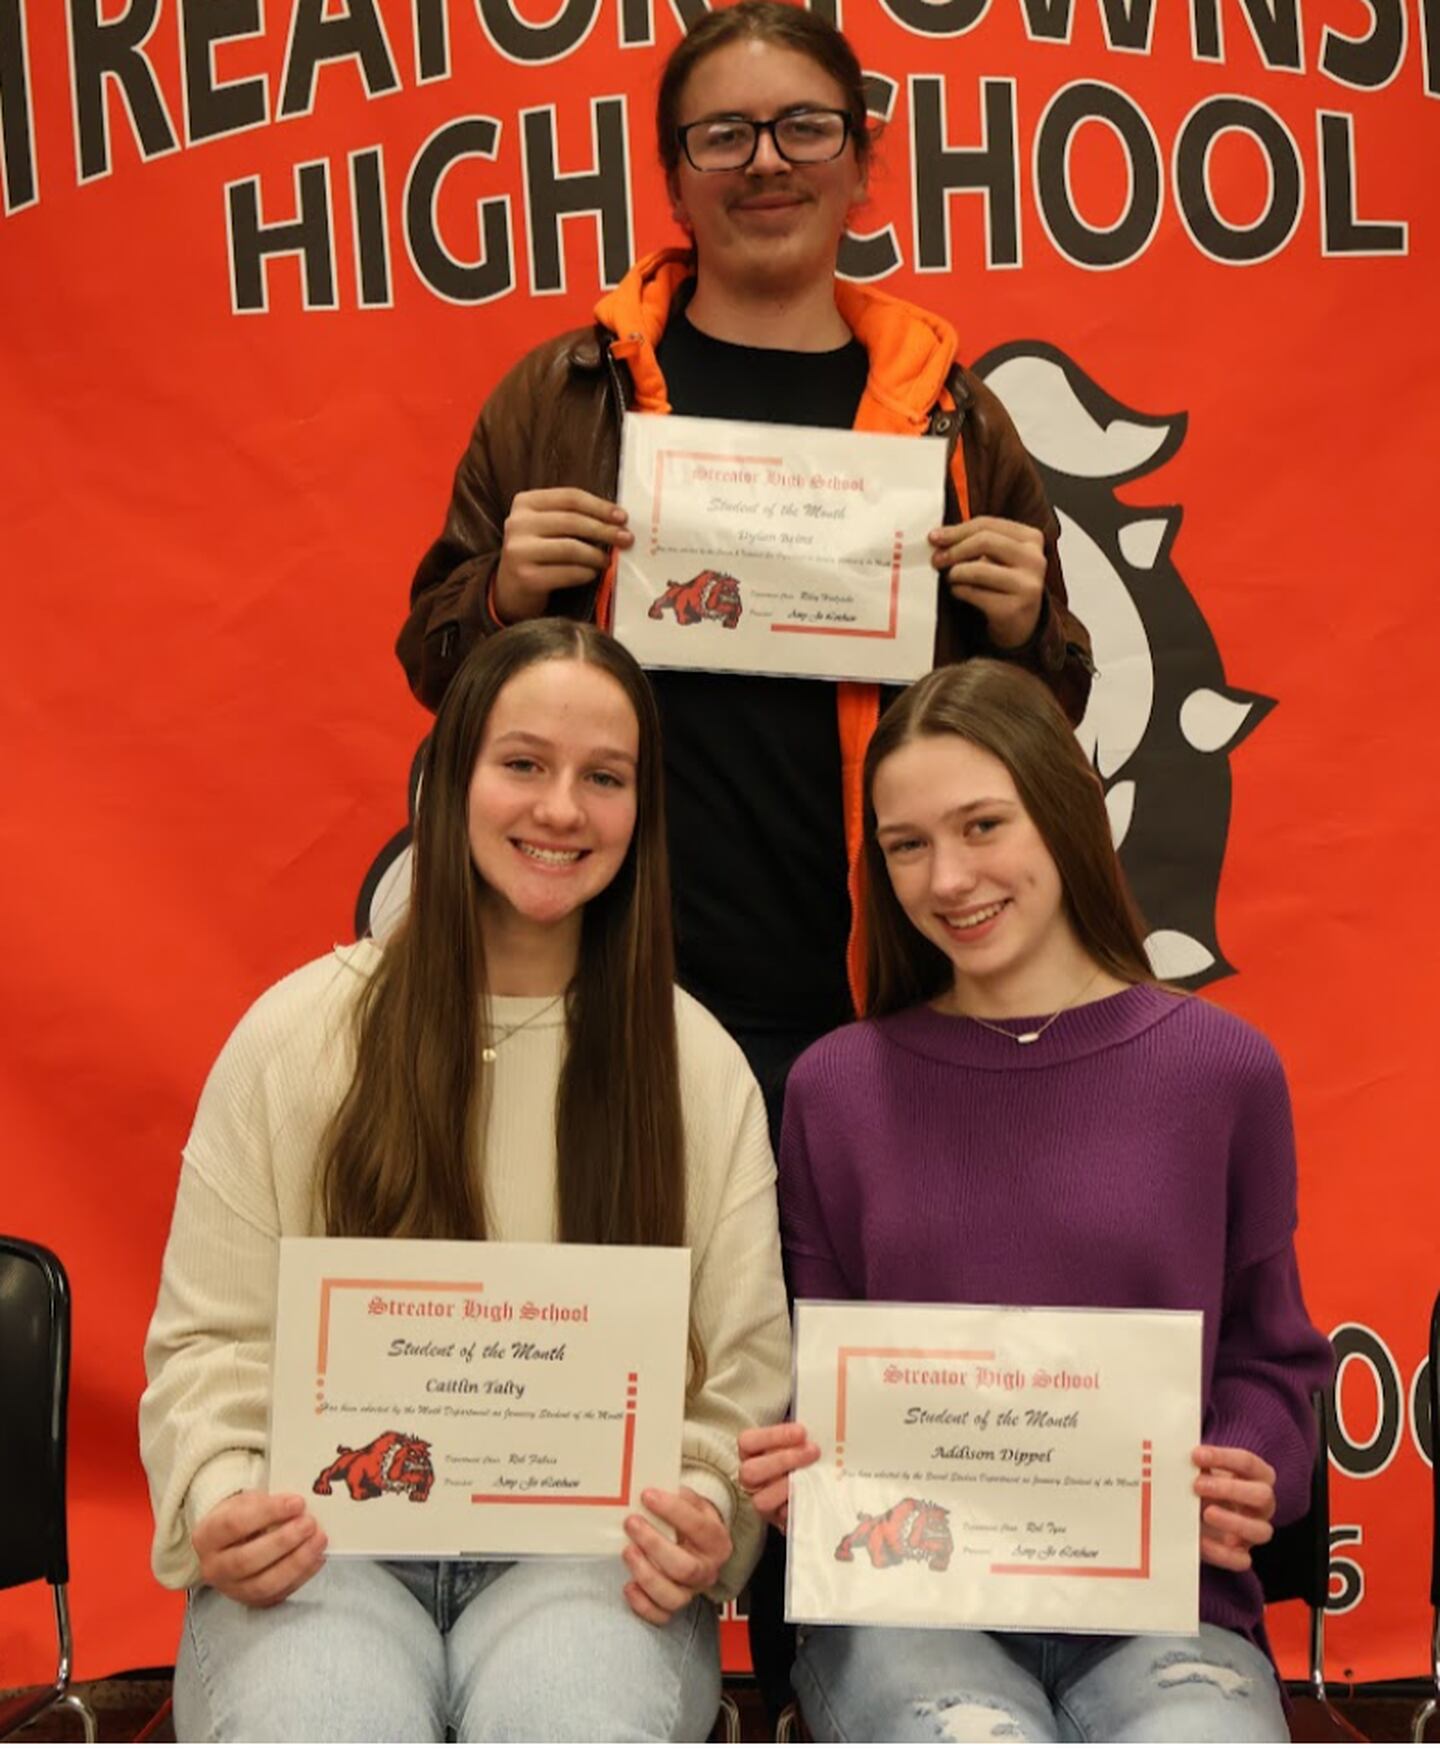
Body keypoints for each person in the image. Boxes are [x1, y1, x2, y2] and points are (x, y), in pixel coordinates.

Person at [397, 1, 1093, 1129]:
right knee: (624, 1310)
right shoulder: (564, 393)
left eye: (805, 128)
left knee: (853, 1311)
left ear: (865, 163)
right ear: (675, 181)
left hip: (892, 998)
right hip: (607, 993)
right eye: (721, 136)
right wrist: (499, 594)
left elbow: (1045, 728)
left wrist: (1025, 633)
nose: (765, 161)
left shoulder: (958, 419)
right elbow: (433, 664)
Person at [140, 620, 791, 1744]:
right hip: (325, 1545)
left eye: (605, 778)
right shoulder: (296, 1037)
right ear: (450, 781)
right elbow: (210, 1342)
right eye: (523, 764)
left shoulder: (696, 1067)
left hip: (593, 1561)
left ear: (643, 812)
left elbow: (738, 1372)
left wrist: (706, 1507)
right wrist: (221, 1494)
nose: (560, 811)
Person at [737, 659, 1333, 1743]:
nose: (948, 878)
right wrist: (789, 1456)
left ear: (1063, 814)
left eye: (982, 826)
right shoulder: (835, 1088)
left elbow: (1271, 1352)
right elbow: (807, 1370)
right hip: (906, 1610)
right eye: (906, 844)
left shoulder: (1223, 1070)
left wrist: (1256, 1465)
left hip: (1169, 1614)